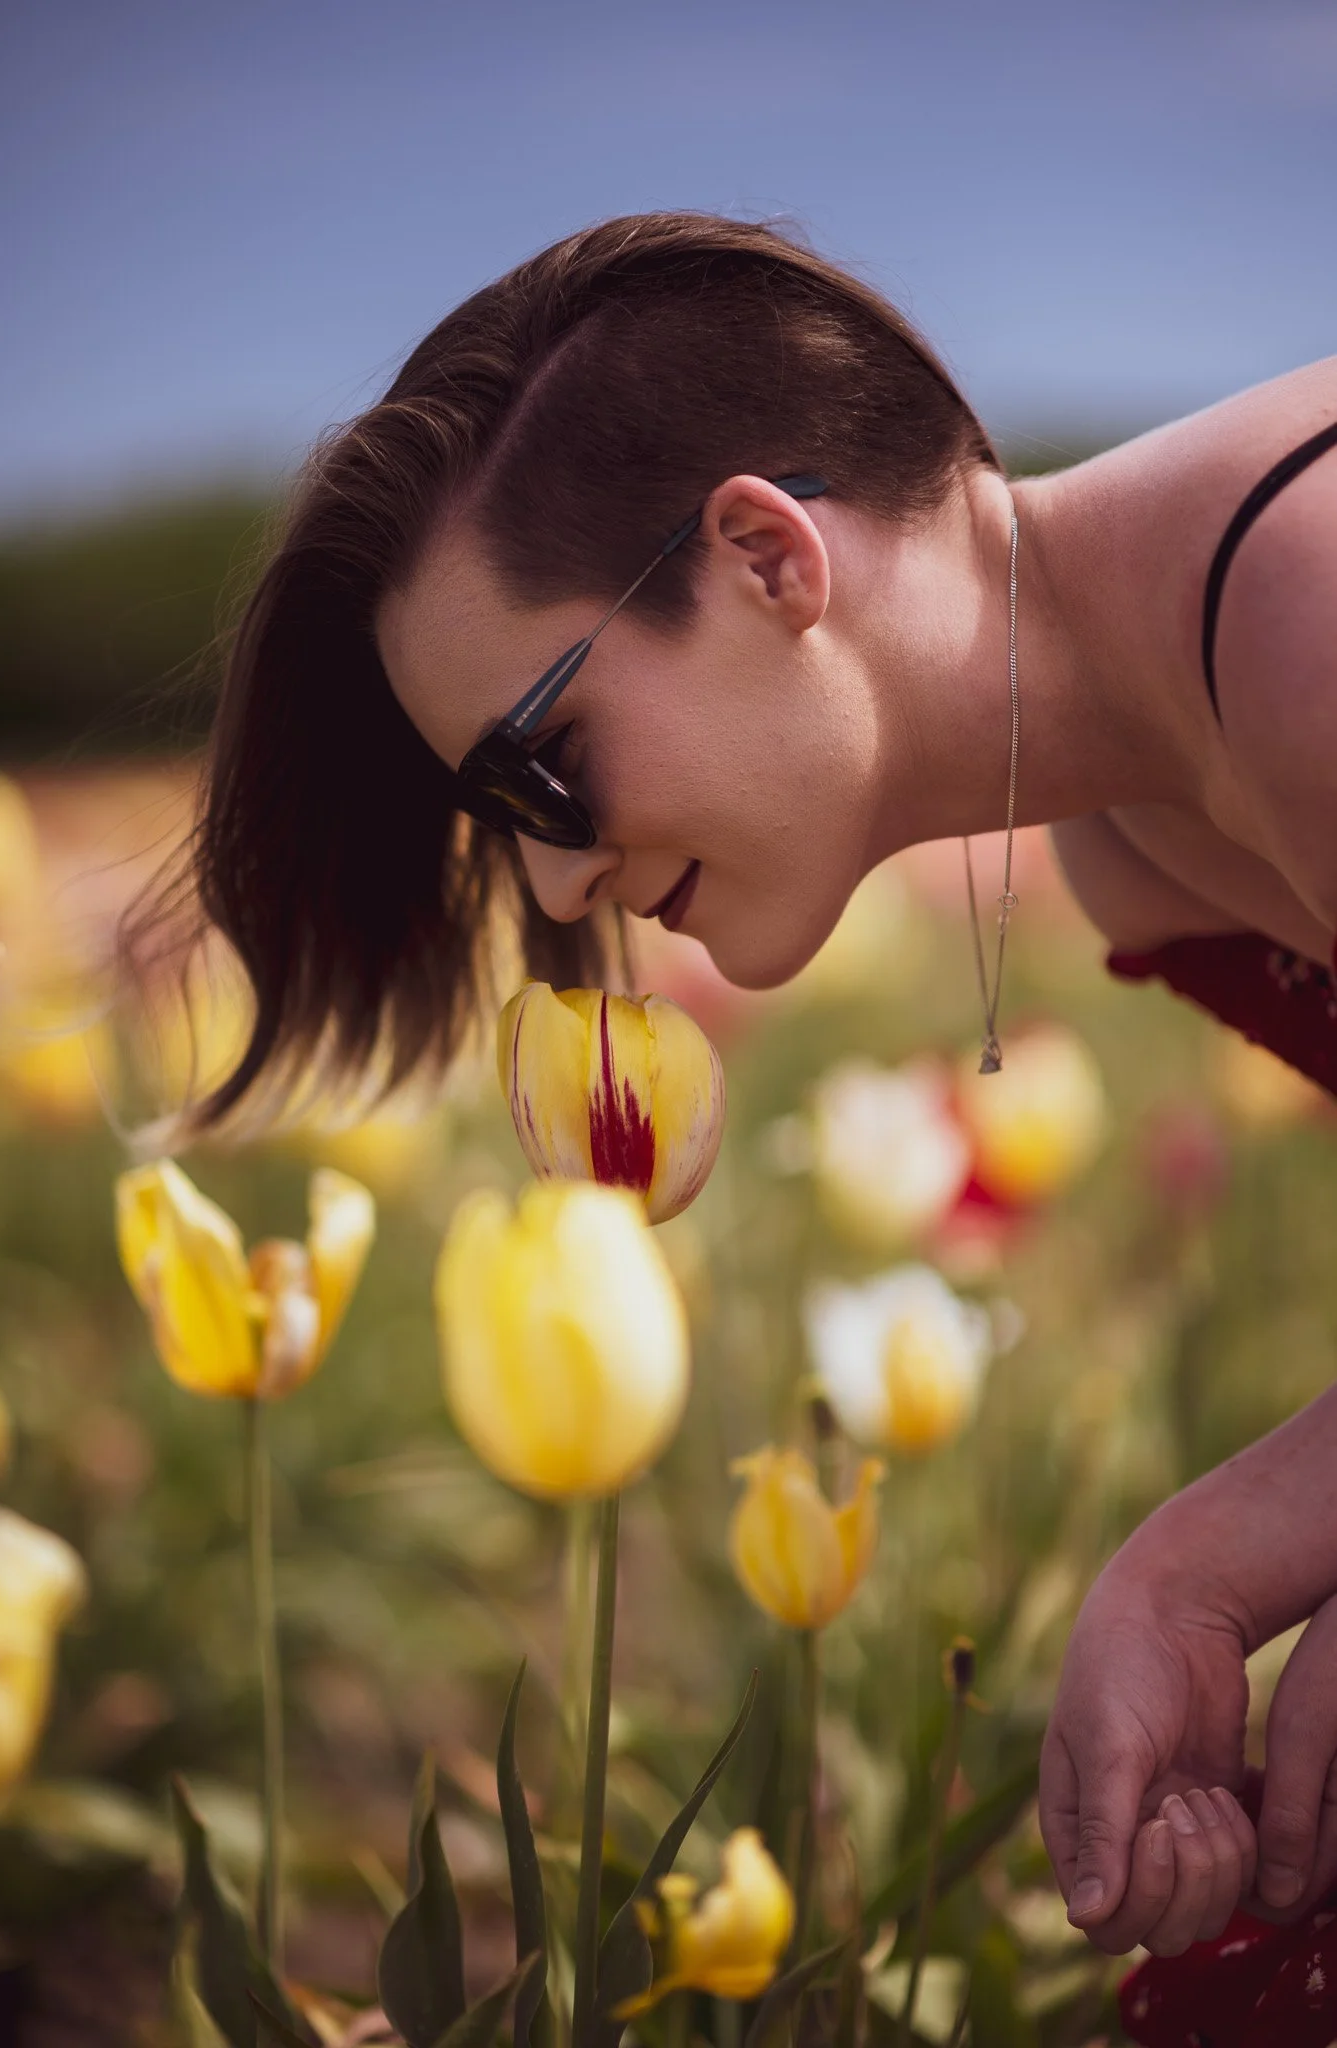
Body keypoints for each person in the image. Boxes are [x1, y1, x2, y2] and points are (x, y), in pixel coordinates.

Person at [157, 212, 1337, 1958]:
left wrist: (1213, 1566)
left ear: (767, 557)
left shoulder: (1307, 599)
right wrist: (1198, 1569)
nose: (554, 892)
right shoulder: (1126, 847)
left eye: (543, 775)